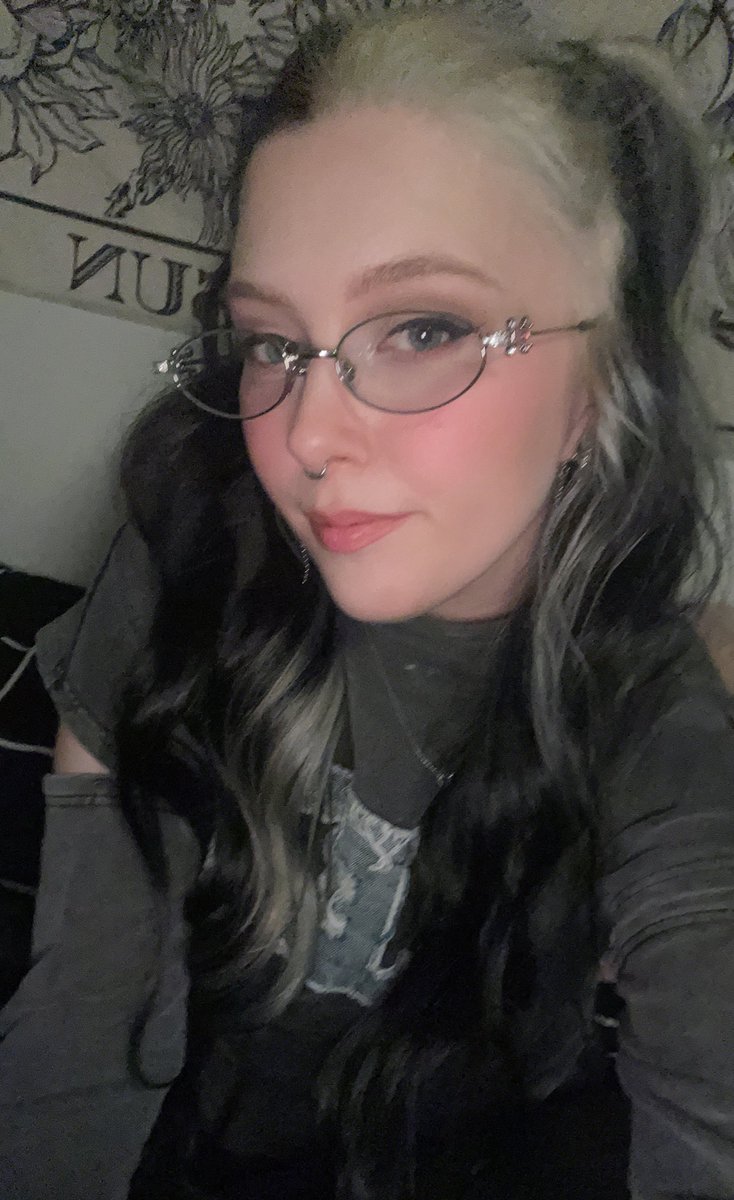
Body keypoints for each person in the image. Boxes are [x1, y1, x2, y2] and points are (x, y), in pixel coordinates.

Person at [1, 7, 733, 1199]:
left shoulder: (655, 724)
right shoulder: (193, 538)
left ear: (598, 393)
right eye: (272, 343)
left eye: (422, 329)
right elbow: (89, 1003)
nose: (305, 434)